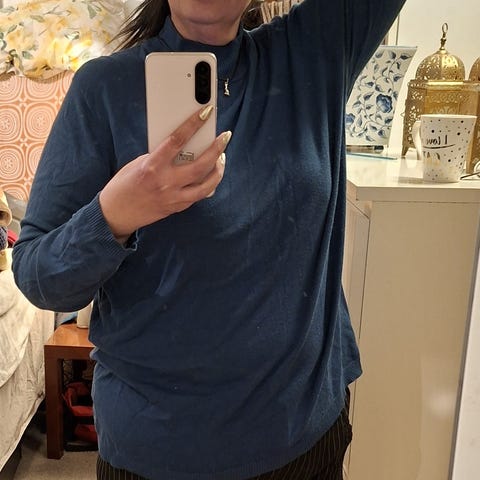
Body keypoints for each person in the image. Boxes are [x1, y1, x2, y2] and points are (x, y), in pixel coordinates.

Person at [13, 0, 406, 479]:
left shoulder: (310, 52)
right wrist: (115, 214)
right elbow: (39, 276)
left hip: (304, 440)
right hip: (156, 454)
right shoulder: (104, 88)